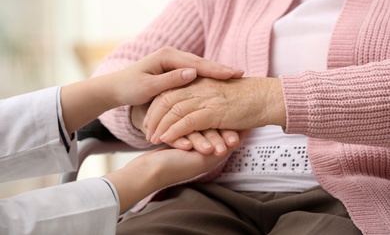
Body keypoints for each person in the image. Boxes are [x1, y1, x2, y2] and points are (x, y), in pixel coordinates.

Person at [92, 0, 390, 234]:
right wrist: (152, 112)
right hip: (209, 192)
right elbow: (119, 69)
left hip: (359, 194)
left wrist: (266, 98)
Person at [0, 47, 245, 235]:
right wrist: (143, 115)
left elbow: (125, 69)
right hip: (201, 196)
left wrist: (113, 90)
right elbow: (119, 60)